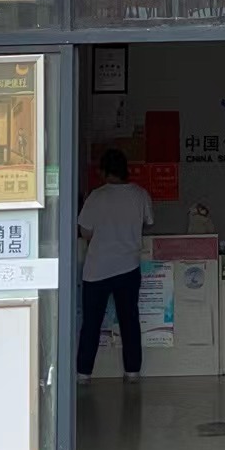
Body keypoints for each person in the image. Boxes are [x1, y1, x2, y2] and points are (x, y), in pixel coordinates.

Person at [77, 149, 153, 384]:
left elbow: (85, 232)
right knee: (129, 321)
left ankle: (83, 373)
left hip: (96, 270)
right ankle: (132, 372)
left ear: (104, 171)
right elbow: (148, 222)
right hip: (128, 267)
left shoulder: (96, 197)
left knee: (91, 323)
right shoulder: (140, 194)